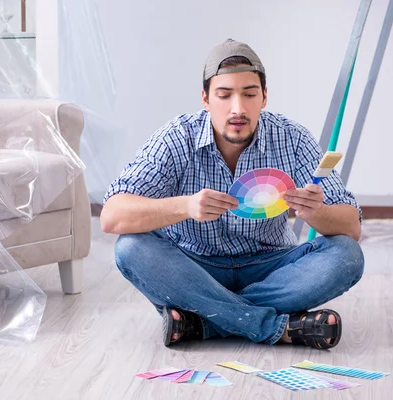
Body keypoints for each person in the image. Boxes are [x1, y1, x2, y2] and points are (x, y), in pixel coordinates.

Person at [100, 39, 364, 350]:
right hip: (194, 268)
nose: (237, 108)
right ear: (206, 99)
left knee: (346, 256)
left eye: (249, 94)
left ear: (264, 97)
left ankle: (206, 321)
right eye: (224, 95)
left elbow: (351, 228)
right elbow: (112, 215)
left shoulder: (292, 138)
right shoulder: (176, 137)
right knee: (130, 248)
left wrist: (315, 212)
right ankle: (270, 326)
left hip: (272, 268)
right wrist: (185, 206)